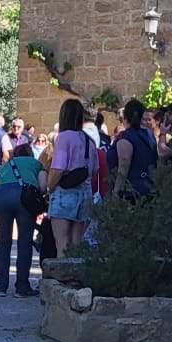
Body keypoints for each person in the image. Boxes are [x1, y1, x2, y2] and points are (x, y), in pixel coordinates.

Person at [46, 98, 99, 253]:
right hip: (85, 194)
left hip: (65, 194)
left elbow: (58, 168)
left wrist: (49, 187)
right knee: (76, 244)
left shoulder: (64, 137)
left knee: (62, 242)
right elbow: (94, 170)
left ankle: (62, 269)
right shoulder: (89, 140)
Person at [0, 144, 43, 297]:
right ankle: (22, 287)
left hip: (1, 197)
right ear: (30, 153)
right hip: (24, 198)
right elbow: (43, 185)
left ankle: (1, 286)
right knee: (24, 242)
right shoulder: (35, 163)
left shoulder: (7, 165)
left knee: (3, 241)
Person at [111, 99, 158, 200]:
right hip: (149, 187)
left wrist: (116, 191)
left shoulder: (125, 137)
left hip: (131, 191)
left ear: (125, 116)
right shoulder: (149, 134)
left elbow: (124, 164)